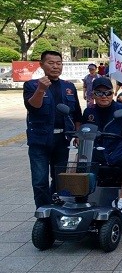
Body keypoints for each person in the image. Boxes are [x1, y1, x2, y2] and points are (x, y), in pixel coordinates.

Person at [23, 50, 83, 208]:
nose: (56, 66)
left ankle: (56, 207)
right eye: (51, 63)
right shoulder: (31, 85)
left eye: (59, 63)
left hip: (62, 140)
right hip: (39, 140)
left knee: (59, 178)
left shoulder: (69, 87)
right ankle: (43, 212)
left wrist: (77, 133)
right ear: (41, 65)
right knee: (39, 180)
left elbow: (76, 113)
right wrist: (41, 89)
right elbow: (33, 106)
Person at [83, 77, 122, 211]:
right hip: (98, 149)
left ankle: (121, 199)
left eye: (108, 93)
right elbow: (84, 130)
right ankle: (79, 195)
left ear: (112, 93)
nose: (104, 96)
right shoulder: (89, 112)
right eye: (99, 93)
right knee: (78, 162)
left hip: (121, 148)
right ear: (93, 94)